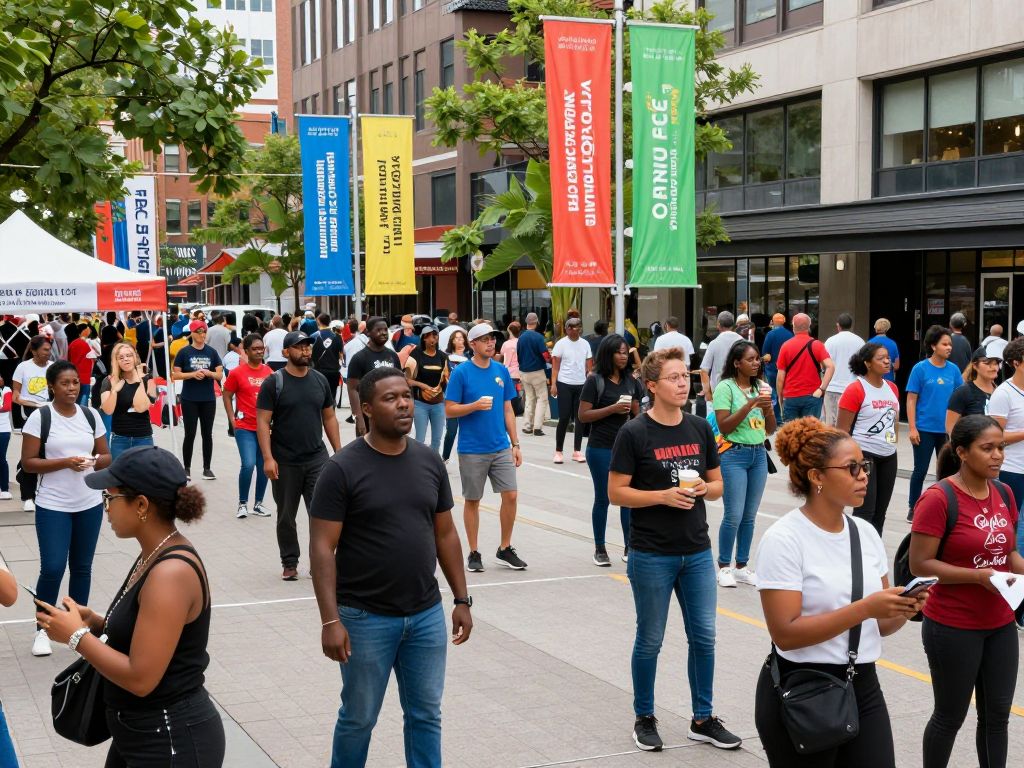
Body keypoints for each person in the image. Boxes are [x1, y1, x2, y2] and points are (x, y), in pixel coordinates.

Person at [308, 366, 473, 768]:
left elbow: (446, 535)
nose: (403, 403)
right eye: (390, 398)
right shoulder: (342, 469)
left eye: (405, 396)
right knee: (359, 718)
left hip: (425, 615)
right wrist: (330, 621)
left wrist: (462, 598)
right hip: (364, 618)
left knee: (425, 715)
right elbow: (321, 548)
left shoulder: (429, 460)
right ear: (365, 408)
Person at [35, 446, 224, 766]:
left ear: (141, 505)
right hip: (140, 732)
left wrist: (77, 637)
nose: (104, 507)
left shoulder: (170, 573)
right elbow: (146, 633)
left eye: (109, 498)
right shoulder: (154, 552)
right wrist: (95, 622)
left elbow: (141, 677)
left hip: (170, 740)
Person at [754, 417, 925, 768]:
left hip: (862, 682)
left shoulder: (865, 533)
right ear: (816, 477)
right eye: (851, 468)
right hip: (804, 688)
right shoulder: (785, 539)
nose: (863, 475)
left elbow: (879, 626)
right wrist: (866, 608)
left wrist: (904, 608)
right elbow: (785, 634)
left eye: (864, 465)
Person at [608, 347, 740, 752]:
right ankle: (644, 716)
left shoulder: (700, 427)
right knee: (650, 639)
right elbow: (616, 493)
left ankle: (702, 718)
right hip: (652, 554)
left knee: (704, 637)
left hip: (697, 551)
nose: (683, 383)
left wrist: (704, 488)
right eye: (673, 377)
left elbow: (717, 487)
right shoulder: (634, 433)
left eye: (685, 376)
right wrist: (661, 497)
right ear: (652, 386)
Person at [909, 416, 1022, 767]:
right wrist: (977, 577)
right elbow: (921, 565)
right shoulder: (939, 498)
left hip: (1000, 622)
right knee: (949, 717)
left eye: (1000, 447)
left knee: (997, 718)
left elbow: (1010, 553)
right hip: (952, 626)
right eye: (987, 448)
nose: (997, 456)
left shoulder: (1003, 492)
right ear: (962, 452)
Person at [22, 360, 110, 656]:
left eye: (75, 382)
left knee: (82, 568)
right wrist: (66, 462)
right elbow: (29, 463)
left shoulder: (91, 414)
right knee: (53, 567)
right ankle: (42, 631)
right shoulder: (40, 417)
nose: (72, 388)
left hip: (89, 502)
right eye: (65, 383)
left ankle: (78, 630)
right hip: (53, 504)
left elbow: (107, 456)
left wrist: (93, 461)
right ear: (51, 386)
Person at [257, 331, 341, 581]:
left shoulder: (319, 380)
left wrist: (339, 453)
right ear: (285, 353)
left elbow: (329, 417)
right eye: (299, 347)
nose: (305, 351)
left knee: (323, 514)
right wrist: (268, 458)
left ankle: (320, 560)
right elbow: (263, 422)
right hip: (285, 460)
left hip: (317, 458)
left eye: (307, 346)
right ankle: (290, 562)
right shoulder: (274, 382)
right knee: (286, 516)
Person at [445, 323, 526, 572]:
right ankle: (473, 551)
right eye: (484, 340)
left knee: (511, 494)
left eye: (493, 339)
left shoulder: (501, 370)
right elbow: (449, 409)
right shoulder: (462, 373)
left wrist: (515, 443)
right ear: (473, 345)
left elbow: (508, 409)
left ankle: (504, 547)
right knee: (473, 500)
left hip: (500, 445)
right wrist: (473, 406)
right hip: (472, 449)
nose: (491, 343)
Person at [713, 340, 775, 588]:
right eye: (750, 359)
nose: (756, 363)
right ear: (737, 363)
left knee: (749, 516)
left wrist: (768, 409)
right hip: (733, 455)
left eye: (757, 358)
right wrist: (751, 405)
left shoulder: (762, 386)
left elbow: (770, 430)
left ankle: (741, 566)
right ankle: (724, 566)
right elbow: (725, 426)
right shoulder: (725, 388)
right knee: (734, 514)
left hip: (758, 455)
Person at [579, 334, 639, 566]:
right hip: (600, 447)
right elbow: (583, 415)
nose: (623, 356)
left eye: (626, 352)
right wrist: (612, 409)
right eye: (619, 352)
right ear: (608, 354)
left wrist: (635, 411)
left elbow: (638, 412)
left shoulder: (631, 381)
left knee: (627, 498)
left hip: (626, 448)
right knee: (603, 498)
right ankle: (600, 548)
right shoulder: (595, 380)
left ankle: (629, 546)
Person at [837, 343, 900, 535]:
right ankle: (857, 555)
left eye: (888, 357)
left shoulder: (892, 388)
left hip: (889, 455)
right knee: (865, 511)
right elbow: (842, 430)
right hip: (865, 456)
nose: (887, 361)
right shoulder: (855, 389)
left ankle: (875, 556)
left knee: (880, 513)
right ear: (868, 363)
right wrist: (850, 462)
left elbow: (894, 419)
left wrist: (893, 440)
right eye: (881, 358)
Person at [906, 325, 959, 520]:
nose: (949, 347)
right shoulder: (920, 369)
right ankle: (913, 507)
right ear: (933, 346)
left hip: (946, 431)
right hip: (924, 428)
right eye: (944, 344)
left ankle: (944, 507)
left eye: (950, 344)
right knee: (920, 470)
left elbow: (959, 398)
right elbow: (911, 399)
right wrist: (912, 428)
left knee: (946, 472)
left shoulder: (953, 370)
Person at [223, 333, 273, 520]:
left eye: (262, 348)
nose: (260, 351)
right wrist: (232, 420)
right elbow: (226, 395)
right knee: (248, 464)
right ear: (246, 351)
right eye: (255, 349)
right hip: (244, 426)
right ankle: (242, 503)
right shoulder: (237, 372)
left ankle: (258, 504)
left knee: (263, 466)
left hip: (265, 428)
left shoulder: (269, 372)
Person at [987, 336, 1024, 562]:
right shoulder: (1004, 393)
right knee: (1013, 526)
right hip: (1012, 469)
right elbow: (995, 437)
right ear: (1016, 362)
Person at [172, 320, 224, 482]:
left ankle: (206, 468)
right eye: (199, 331)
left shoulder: (212, 352)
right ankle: (186, 467)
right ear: (192, 333)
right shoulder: (184, 352)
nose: (202, 335)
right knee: (190, 433)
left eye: (204, 332)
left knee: (207, 434)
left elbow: (219, 374)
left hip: (208, 398)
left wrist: (208, 373)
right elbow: (176, 374)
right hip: (189, 398)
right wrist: (192, 374)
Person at [100, 342, 158, 460]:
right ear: (116, 361)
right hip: (119, 439)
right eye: (121, 357)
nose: (126, 359)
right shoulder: (109, 381)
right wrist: (114, 391)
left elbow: (141, 407)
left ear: (135, 357)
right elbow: (108, 410)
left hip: (144, 438)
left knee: (144, 476)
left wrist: (139, 380)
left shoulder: (147, 378)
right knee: (120, 477)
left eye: (129, 355)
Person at [346, 317, 401, 437]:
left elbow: (400, 385)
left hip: (390, 414)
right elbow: (352, 389)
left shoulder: (393, 356)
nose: (383, 333)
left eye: (385, 330)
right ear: (368, 333)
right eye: (379, 330)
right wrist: (358, 418)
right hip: (368, 416)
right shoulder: (359, 358)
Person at [776, 312, 835, 422]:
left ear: (793, 327)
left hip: (791, 396)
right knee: (811, 433)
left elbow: (780, 377)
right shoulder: (817, 344)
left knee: (792, 434)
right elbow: (830, 366)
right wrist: (822, 389)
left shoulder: (786, 346)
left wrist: (780, 397)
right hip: (813, 395)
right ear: (809, 327)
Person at [550, 317, 592, 464]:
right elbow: (555, 366)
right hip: (564, 383)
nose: (575, 329)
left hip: (581, 384)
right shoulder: (561, 344)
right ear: (567, 329)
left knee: (580, 418)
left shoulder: (585, 344)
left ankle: (577, 450)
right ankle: (558, 451)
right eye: (572, 327)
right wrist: (553, 384)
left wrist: (590, 380)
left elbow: (589, 366)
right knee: (564, 417)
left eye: (578, 326)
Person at [407, 326, 449, 453]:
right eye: (429, 336)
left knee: (437, 439)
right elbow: (407, 379)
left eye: (435, 335)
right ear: (424, 338)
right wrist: (422, 386)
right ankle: (418, 463)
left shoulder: (442, 357)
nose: (433, 338)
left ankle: (433, 464)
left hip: (438, 403)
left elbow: (447, 378)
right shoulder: (415, 355)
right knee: (419, 439)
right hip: (420, 404)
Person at [946, 343, 1001, 435]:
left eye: (996, 363)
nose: (993, 367)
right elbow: (950, 428)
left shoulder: (1001, 392)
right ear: (975, 366)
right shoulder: (963, 392)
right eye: (987, 363)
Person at [822, 313, 865, 426]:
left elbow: (824, 363)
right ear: (851, 325)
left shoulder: (830, 341)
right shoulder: (860, 341)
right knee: (850, 424)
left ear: (838, 325)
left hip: (832, 386)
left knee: (830, 424)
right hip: (852, 387)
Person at [12, 335, 53, 447]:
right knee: (32, 448)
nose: (49, 353)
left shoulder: (54, 367)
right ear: (34, 351)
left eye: (50, 349)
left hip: (50, 411)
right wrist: (36, 404)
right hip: (29, 412)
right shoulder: (23, 367)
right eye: (45, 349)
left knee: (48, 448)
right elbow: (15, 397)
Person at [517, 312, 550, 437]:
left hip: (524, 371)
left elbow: (518, 355)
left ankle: (527, 426)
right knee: (542, 398)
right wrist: (550, 360)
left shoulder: (521, 337)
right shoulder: (538, 337)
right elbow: (545, 355)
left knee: (529, 398)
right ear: (536, 323)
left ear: (526, 323)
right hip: (537, 371)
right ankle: (537, 427)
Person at [441, 329, 469, 463]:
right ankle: (445, 457)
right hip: (451, 398)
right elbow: (444, 376)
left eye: (461, 338)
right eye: (456, 338)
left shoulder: (470, 358)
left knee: (467, 431)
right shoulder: (447, 358)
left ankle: (466, 456)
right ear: (452, 341)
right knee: (451, 431)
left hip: (468, 398)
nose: (459, 340)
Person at [699, 311, 742, 397]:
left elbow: (704, 371)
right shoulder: (743, 342)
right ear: (733, 325)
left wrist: (707, 393)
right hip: (740, 392)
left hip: (718, 392)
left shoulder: (714, 343)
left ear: (718, 324)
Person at [760, 313, 792, 423]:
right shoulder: (790, 334)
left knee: (773, 391)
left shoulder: (770, 334)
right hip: (787, 369)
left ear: (773, 322)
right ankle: (787, 417)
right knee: (786, 392)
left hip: (773, 368)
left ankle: (777, 419)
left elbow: (765, 352)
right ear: (784, 322)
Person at [312, 312, 344, 407]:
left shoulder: (314, 336)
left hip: (318, 371)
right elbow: (341, 355)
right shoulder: (337, 336)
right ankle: (331, 415)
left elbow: (309, 354)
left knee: (319, 396)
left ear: (318, 321)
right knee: (332, 396)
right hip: (334, 371)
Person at [67, 323, 96, 407]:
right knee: (83, 403)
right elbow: (92, 358)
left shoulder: (73, 344)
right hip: (84, 377)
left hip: (76, 376)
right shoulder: (82, 343)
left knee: (76, 402)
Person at [867, 318, 901, 383]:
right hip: (888, 380)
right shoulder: (893, 344)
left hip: (872, 380)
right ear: (887, 329)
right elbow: (896, 366)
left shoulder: (869, 343)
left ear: (875, 327)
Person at [498, 321, 521, 396]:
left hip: (508, 372)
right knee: (517, 394)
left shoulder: (506, 344)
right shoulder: (521, 342)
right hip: (519, 372)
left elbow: (501, 354)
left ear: (510, 331)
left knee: (509, 395)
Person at [0, 375, 11, 501]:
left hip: (2, 430)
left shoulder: (6, 390)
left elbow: (7, 407)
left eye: (1, 377)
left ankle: (5, 489)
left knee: (1, 458)